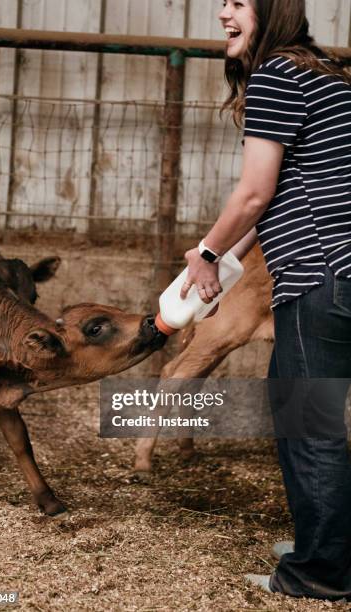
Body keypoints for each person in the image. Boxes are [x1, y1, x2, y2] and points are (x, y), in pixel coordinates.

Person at [182, 0, 351, 601]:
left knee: (311, 427)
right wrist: (223, 259)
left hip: (320, 271)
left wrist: (204, 251)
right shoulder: (322, 71)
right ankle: (325, 547)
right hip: (336, 272)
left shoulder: (279, 73)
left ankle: (321, 575)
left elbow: (254, 193)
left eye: (237, 4)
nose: (222, 13)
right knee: (296, 412)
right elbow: (281, 190)